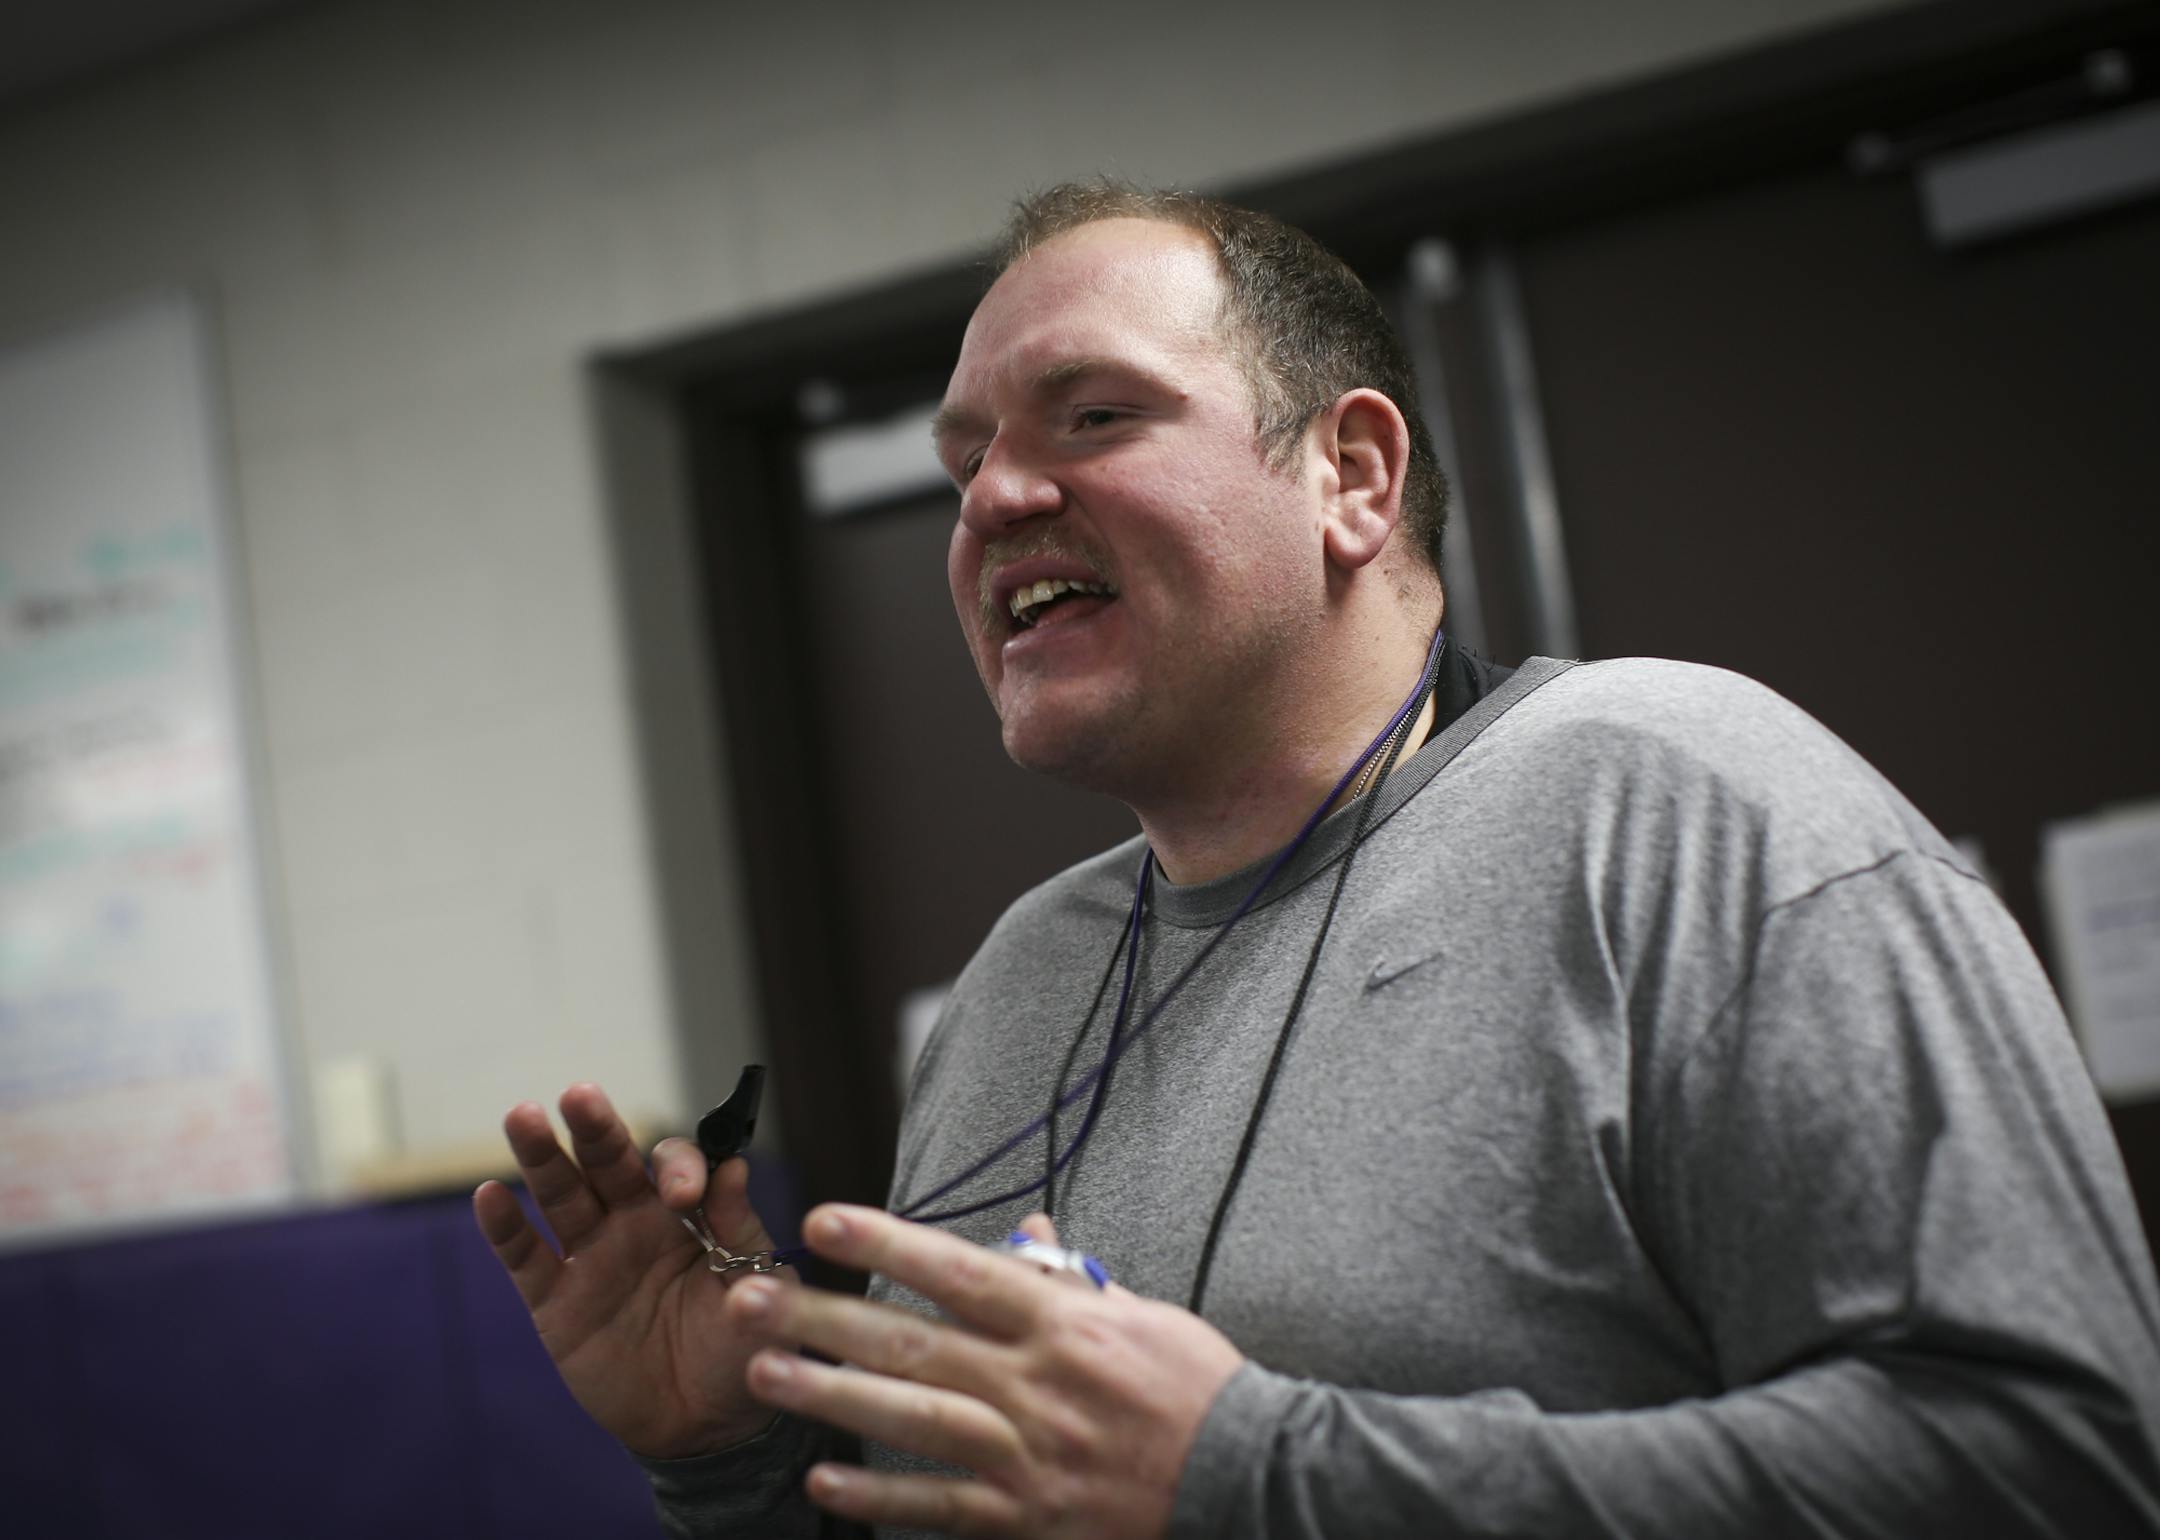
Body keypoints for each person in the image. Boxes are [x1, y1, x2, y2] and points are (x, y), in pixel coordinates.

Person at [473, 182, 2160, 1539]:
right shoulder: (1017, 990)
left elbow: (2055, 1464)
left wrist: (1254, 1478)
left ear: (1350, 472)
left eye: (1094, 413)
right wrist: (735, 1460)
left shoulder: (1673, 799)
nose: (991, 500)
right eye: (965, 460)